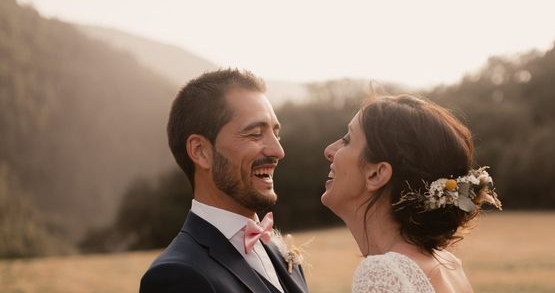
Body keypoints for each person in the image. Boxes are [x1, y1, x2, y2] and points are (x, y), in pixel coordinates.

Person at [140, 69, 308, 293]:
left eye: (275, 134)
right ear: (201, 152)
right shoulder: (176, 276)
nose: (278, 151)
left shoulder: (279, 254)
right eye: (255, 134)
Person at [321, 94, 501, 293]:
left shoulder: (386, 274)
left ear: (376, 174)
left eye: (347, 140)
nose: (329, 150)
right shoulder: (447, 264)